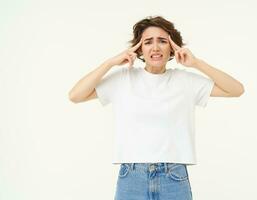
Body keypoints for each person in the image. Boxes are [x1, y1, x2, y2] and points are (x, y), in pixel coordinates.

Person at [68, 15, 244, 200]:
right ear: (140, 49)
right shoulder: (122, 79)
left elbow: (236, 89)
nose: (155, 47)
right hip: (132, 177)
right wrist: (110, 63)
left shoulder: (185, 81)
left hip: (173, 178)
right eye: (148, 42)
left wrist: (197, 63)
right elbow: (75, 95)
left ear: (172, 48)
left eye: (162, 41)